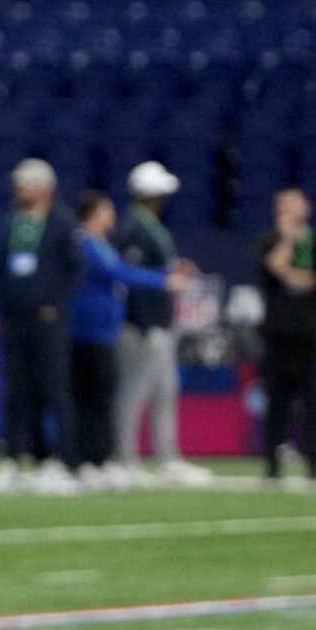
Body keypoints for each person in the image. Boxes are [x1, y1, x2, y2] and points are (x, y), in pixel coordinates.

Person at [69, 191, 189, 487]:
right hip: (89, 331)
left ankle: (99, 459)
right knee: (91, 398)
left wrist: (163, 274)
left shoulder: (103, 245)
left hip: (106, 331)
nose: (112, 215)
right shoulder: (84, 243)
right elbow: (117, 272)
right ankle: (88, 460)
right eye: (107, 209)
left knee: (103, 397)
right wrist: (163, 279)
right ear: (94, 213)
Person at [112, 160, 210, 486]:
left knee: (166, 390)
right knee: (134, 393)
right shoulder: (133, 228)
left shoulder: (151, 225)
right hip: (144, 324)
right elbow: (129, 280)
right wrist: (144, 321)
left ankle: (168, 458)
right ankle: (125, 458)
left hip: (161, 323)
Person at [0, 158, 81, 494]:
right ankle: (15, 458)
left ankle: (67, 462)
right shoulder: (8, 223)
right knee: (16, 391)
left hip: (49, 323)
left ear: (44, 187)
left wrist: (55, 305)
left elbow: (75, 270)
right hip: (15, 320)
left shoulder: (62, 222)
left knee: (54, 390)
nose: (19, 189)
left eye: (25, 182)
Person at [256, 187, 316, 484]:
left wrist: (286, 271)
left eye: (293, 205)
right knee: (276, 401)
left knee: (312, 400)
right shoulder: (268, 241)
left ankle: (314, 464)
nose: (287, 211)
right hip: (277, 333)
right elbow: (270, 267)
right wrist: (286, 245)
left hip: (309, 333)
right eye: (282, 206)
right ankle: (273, 466)